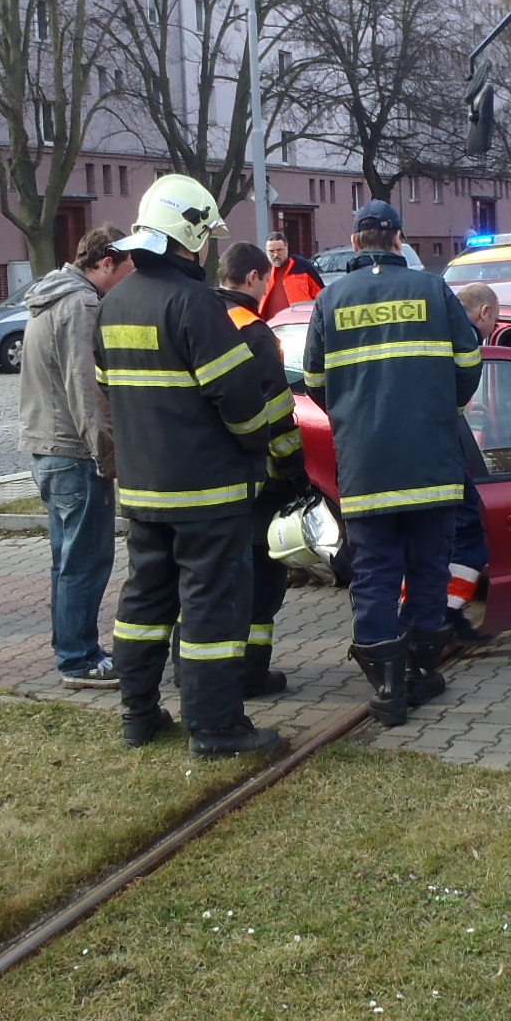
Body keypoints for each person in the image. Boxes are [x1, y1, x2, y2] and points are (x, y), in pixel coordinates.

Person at [98, 175, 288, 756]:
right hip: (207, 494)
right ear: (193, 236)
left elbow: (109, 393)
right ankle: (216, 727)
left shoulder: (115, 302)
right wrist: (259, 447)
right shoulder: (195, 304)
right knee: (212, 609)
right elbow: (239, 400)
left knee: (144, 602)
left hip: (143, 489)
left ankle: (138, 713)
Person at [302, 200, 482, 726]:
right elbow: (469, 363)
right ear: (399, 239)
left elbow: (314, 380)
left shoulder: (330, 299)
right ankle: (424, 671)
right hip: (432, 462)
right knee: (430, 567)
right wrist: (442, 407)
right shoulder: (433, 290)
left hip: (366, 466)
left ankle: (386, 687)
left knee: (376, 574)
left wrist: (352, 414)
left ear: (356, 243)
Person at [20, 226, 134, 688]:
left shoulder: (50, 297)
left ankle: (71, 647)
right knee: (85, 561)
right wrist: (109, 456)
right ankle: (79, 657)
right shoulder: (83, 305)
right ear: (106, 263)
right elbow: (85, 390)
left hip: (47, 447)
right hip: (74, 450)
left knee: (66, 560)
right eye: (126, 271)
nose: (129, 281)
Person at [215, 240, 312, 695]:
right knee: (262, 580)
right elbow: (279, 415)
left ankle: (190, 667)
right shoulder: (255, 332)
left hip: (207, 479)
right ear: (254, 278)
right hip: (258, 482)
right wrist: (295, 472)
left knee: (205, 579)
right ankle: (252, 673)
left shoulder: (202, 319)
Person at [446, 282, 501, 643]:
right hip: (443, 455)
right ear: (483, 313)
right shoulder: (465, 340)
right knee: (469, 537)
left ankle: (429, 614)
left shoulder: (439, 331)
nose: (491, 330)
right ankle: (448, 615)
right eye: (494, 322)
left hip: (412, 451)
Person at [259, 230, 323, 319]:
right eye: (271, 251)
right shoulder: (263, 271)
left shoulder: (303, 267)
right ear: (266, 251)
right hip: (271, 326)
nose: (276, 254)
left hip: (299, 323)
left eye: (279, 250)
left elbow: (321, 296)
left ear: (286, 247)